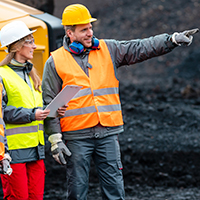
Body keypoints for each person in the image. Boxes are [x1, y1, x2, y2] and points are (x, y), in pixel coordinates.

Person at [42, 4, 199, 199]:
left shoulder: (109, 49)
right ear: (70, 33)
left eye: (90, 28)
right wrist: (55, 139)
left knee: (114, 188)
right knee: (77, 190)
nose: (90, 33)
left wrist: (171, 40)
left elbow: (140, 47)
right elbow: (50, 102)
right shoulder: (55, 61)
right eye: (84, 30)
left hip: (108, 132)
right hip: (76, 136)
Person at [0, 20, 67, 200]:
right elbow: (1, 111)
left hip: (36, 149)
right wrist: (32, 115)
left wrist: (52, 110)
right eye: (29, 41)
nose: (34, 46)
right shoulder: (2, 75)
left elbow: (34, 108)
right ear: (17, 46)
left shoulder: (31, 74)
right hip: (14, 151)